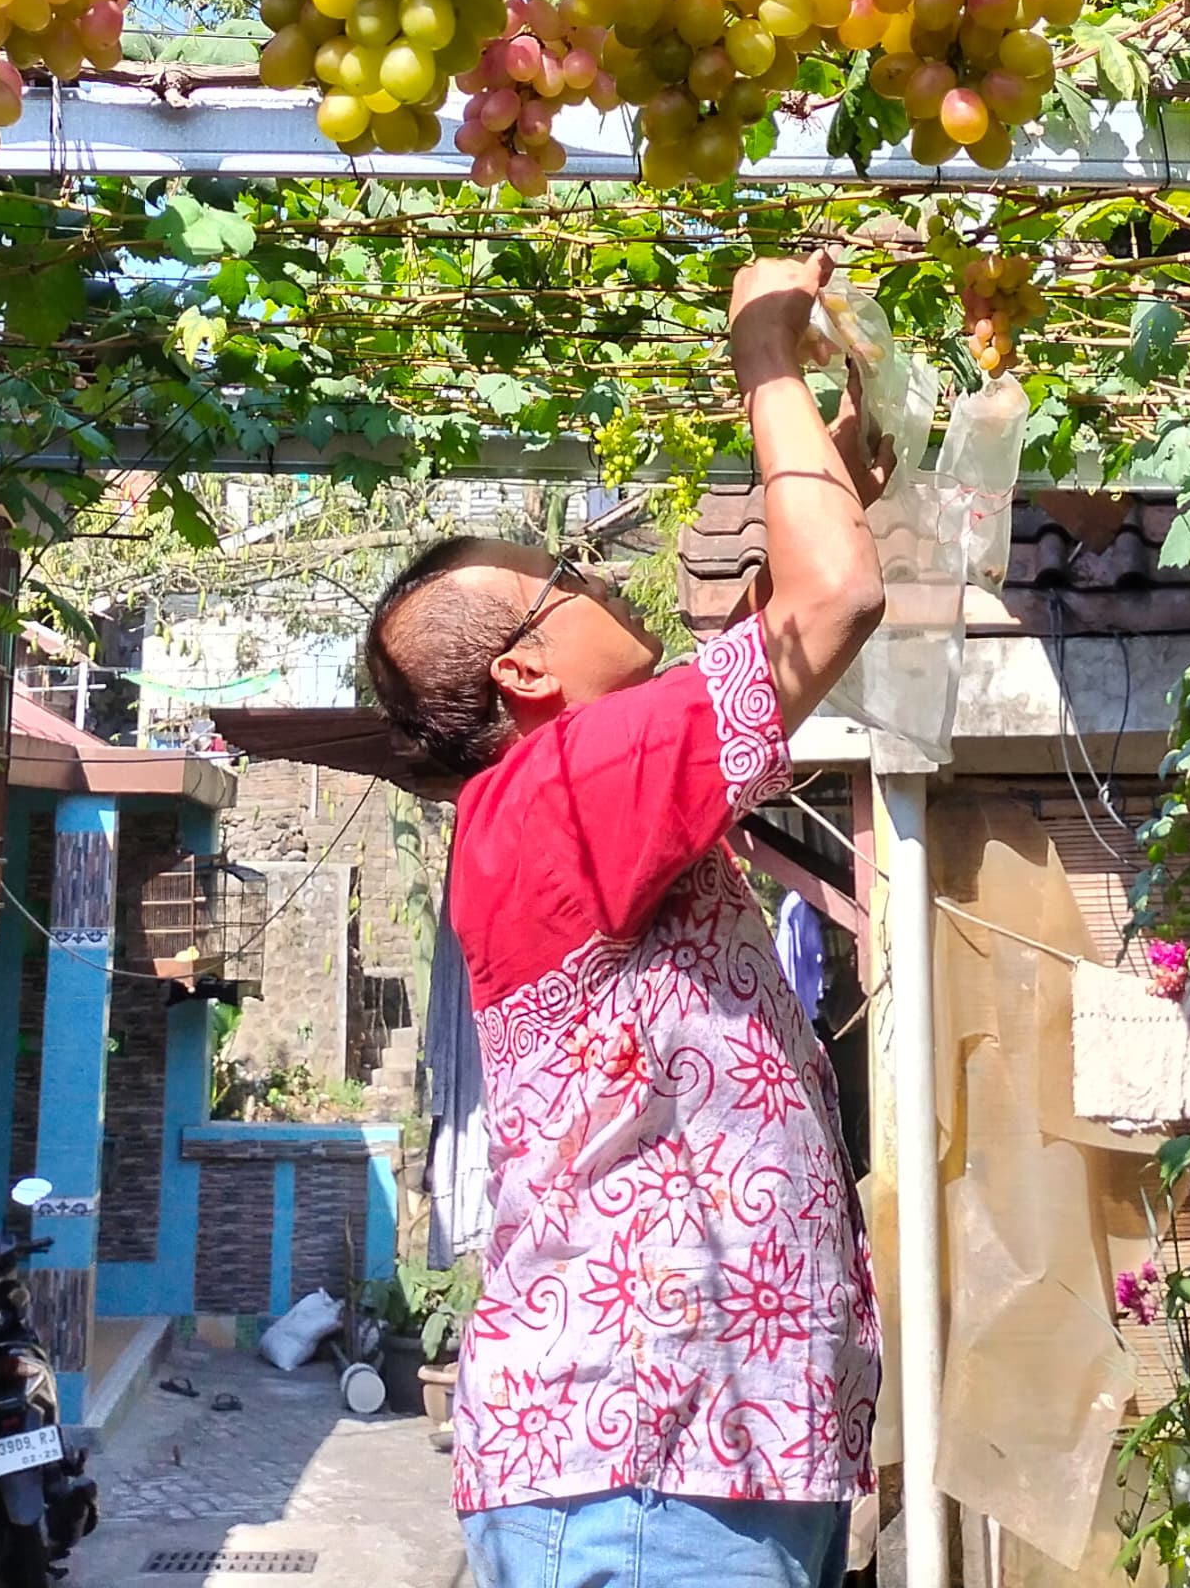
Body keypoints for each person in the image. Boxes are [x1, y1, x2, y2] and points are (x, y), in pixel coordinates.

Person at [359, 249, 889, 1588]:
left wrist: (822, 496)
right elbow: (835, 606)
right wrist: (764, 346)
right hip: (656, 1471)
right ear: (527, 666)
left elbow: (794, 620)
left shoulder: (565, 802)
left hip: (680, 1466)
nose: (605, 582)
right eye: (570, 577)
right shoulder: (558, 785)